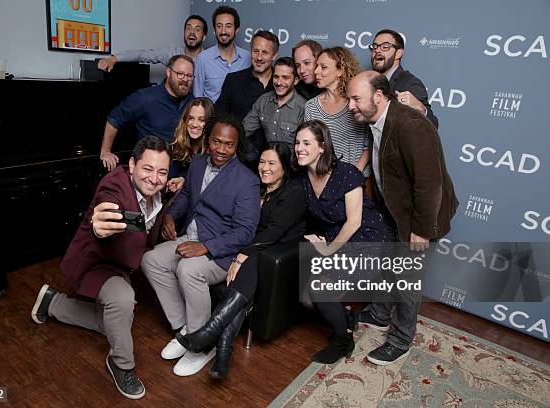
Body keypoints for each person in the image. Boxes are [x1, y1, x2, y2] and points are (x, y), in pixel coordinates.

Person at [31, 136, 171, 400]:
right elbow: (106, 208)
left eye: (162, 172)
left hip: (121, 265)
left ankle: (52, 303)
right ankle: (121, 364)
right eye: (147, 169)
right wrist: (100, 227)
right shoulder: (114, 186)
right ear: (132, 165)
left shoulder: (156, 191)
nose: (154, 178)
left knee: (113, 324)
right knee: (123, 301)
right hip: (96, 262)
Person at [347, 71, 458, 365]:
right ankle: (379, 314)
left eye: (356, 99)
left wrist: (420, 231)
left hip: (421, 218)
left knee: (407, 280)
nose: (350, 106)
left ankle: (400, 340)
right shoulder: (378, 120)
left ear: (379, 97)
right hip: (396, 213)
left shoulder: (410, 125)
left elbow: (429, 183)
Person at [141, 114, 260, 377]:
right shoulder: (197, 163)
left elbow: (246, 231)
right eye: (217, 142)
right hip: (189, 238)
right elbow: (186, 196)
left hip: (221, 252)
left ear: (237, 145)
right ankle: (185, 330)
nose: (222, 149)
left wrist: (205, 246)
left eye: (229, 144)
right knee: (150, 260)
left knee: (189, 270)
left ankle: (201, 345)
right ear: (208, 140)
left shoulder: (246, 180)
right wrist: (171, 214)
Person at [176, 142, 306, 379]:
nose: (264, 168)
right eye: (262, 162)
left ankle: (209, 334)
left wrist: (241, 255)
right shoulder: (257, 189)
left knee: (251, 264)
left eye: (271, 163)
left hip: (276, 254)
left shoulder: (293, 192)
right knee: (245, 273)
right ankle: (223, 352)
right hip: (255, 251)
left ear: (285, 167)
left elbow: (274, 233)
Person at [294, 119, 393, 364]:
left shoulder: (346, 172)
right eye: (297, 142)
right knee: (306, 298)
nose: (299, 148)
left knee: (318, 290)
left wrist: (328, 249)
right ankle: (346, 318)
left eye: (307, 143)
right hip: (337, 239)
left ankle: (343, 340)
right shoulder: (302, 179)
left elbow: (354, 222)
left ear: (322, 147)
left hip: (368, 241)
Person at [100, 54, 194, 171]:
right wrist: (105, 151)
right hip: (150, 172)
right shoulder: (145, 97)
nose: (185, 79)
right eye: (180, 74)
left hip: (180, 174)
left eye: (189, 76)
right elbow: (114, 119)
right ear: (169, 72)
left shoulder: (192, 101)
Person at [304, 47, 370, 177]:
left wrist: (354, 174)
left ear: (340, 70)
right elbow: (310, 146)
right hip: (326, 179)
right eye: (317, 66)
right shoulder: (311, 106)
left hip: (359, 178)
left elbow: (369, 144)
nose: (316, 71)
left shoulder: (357, 102)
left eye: (323, 67)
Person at [370, 29, 438, 128]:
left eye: (385, 47)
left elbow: (433, 124)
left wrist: (419, 108)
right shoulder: (368, 82)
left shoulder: (410, 83)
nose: (377, 50)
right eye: (375, 47)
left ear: (398, 53)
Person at [97, 15, 207, 71]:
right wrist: (114, 58)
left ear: (204, 37)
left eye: (197, 29)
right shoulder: (171, 52)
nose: (192, 32)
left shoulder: (209, 60)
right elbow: (142, 55)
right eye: (188, 28)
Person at [242, 57, 305, 153]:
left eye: (285, 78)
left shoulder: (303, 108)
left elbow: (306, 148)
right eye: (276, 77)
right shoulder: (264, 100)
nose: (279, 82)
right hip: (267, 161)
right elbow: (244, 130)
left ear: (296, 80)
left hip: (292, 164)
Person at [215, 30, 278, 121]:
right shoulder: (233, 80)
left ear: (274, 55)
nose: (259, 57)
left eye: (264, 52)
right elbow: (219, 116)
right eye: (255, 51)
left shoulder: (282, 84)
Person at [193, 6, 251, 102]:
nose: (223, 31)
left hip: (240, 117)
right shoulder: (203, 59)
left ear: (236, 30)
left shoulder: (248, 58)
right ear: (215, 30)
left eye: (228, 26)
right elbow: (197, 97)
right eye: (219, 26)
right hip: (211, 116)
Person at [166, 97, 215, 193]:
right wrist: (180, 180)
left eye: (201, 120)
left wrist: (184, 181)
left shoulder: (214, 150)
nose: (195, 124)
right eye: (191, 118)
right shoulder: (178, 143)